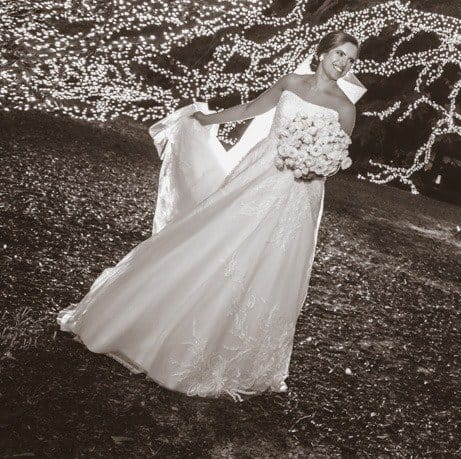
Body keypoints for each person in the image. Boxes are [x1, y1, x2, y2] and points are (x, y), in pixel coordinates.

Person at [57, 31, 361, 400]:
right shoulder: (291, 82)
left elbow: (336, 157)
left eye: (350, 59)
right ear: (322, 53)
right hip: (260, 173)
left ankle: (236, 355)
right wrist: (205, 118)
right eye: (338, 54)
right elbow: (251, 109)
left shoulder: (346, 107)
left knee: (272, 262)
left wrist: (316, 164)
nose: (342, 63)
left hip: (300, 191)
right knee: (218, 237)